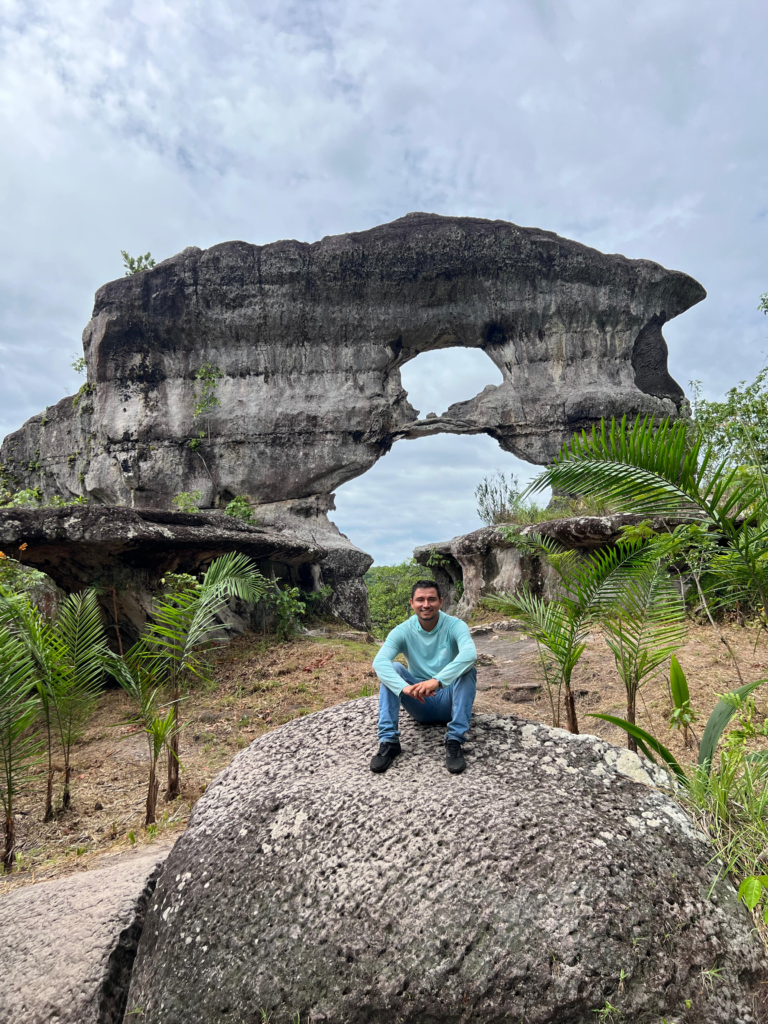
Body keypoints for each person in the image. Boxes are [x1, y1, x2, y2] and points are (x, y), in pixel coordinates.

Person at [370, 579, 477, 775]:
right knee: (392, 667)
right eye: (420, 600)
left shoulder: (455, 626)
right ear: (412, 603)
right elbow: (379, 662)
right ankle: (389, 741)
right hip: (418, 701)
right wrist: (404, 688)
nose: (426, 605)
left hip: (449, 701)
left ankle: (454, 740)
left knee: (468, 670)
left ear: (441, 601)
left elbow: (470, 655)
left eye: (431, 599)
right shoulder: (402, 631)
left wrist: (437, 681)